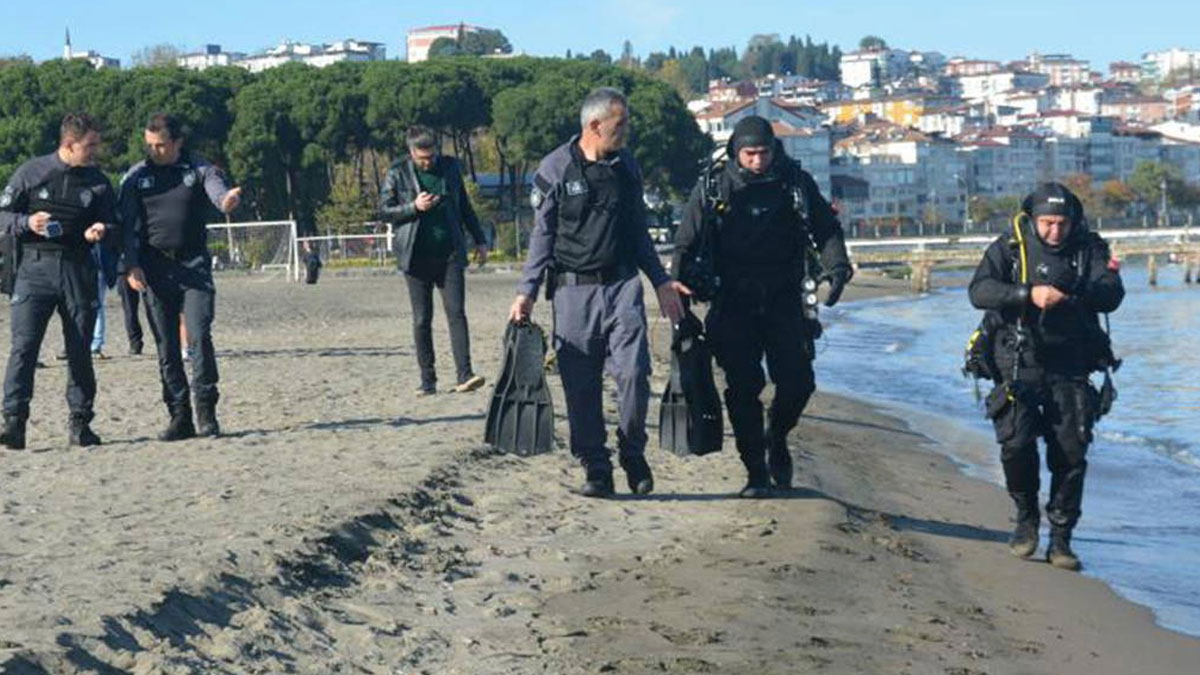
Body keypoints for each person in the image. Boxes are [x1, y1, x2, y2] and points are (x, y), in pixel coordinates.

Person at [508, 87, 688, 498]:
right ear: (595, 125)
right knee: (580, 384)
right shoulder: (555, 168)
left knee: (635, 372)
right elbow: (542, 236)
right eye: (620, 125)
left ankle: (632, 451)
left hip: (623, 286)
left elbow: (638, 232)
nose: (626, 133)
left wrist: (660, 281)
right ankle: (596, 466)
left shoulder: (627, 166)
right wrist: (527, 292)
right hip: (573, 292)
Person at [673, 116, 852, 498]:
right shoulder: (713, 186)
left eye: (764, 153)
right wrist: (680, 296)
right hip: (731, 299)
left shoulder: (794, 183)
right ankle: (755, 470)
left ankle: (778, 434)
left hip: (784, 298)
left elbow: (826, 229)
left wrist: (837, 267)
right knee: (742, 389)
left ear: (775, 150)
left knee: (799, 383)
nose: (758, 161)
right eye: (750, 154)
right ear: (736, 152)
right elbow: (685, 243)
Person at [968, 182, 1124, 570]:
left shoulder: (1089, 248)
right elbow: (979, 291)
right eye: (1048, 223)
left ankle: (1061, 538)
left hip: (1071, 363)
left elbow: (1112, 293)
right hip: (1018, 359)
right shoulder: (1010, 246)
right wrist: (1027, 294)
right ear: (1033, 219)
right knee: (1016, 445)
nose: (1056, 232)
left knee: (1070, 455)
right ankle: (1026, 518)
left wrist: (1076, 291)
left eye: (1063, 223)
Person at [0, 113, 118, 449]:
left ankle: (81, 423)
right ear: (69, 144)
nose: (96, 151)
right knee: (23, 348)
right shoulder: (31, 172)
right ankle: (14, 423)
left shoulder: (98, 182)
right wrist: (26, 221)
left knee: (80, 349)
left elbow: (117, 226)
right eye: (90, 146)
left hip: (78, 270)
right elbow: (2, 214)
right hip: (34, 270)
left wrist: (103, 230)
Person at [120, 113, 241, 441]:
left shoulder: (199, 169)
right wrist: (130, 265)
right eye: (149, 145)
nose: (154, 151)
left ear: (177, 142)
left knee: (199, 337)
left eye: (161, 145)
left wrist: (226, 201)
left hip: (194, 267)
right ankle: (179, 416)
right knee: (166, 347)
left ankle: (206, 412)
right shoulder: (135, 176)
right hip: (154, 270)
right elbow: (127, 226)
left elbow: (218, 192)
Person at [381, 125, 489, 395]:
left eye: (431, 156)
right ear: (411, 153)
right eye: (422, 158)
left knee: (456, 313)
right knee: (421, 319)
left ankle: (465, 374)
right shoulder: (396, 172)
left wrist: (479, 239)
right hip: (415, 257)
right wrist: (413, 207)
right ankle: (428, 380)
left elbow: (464, 205)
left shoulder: (451, 168)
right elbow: (384, 211)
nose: (428, 162)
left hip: (450, 253)